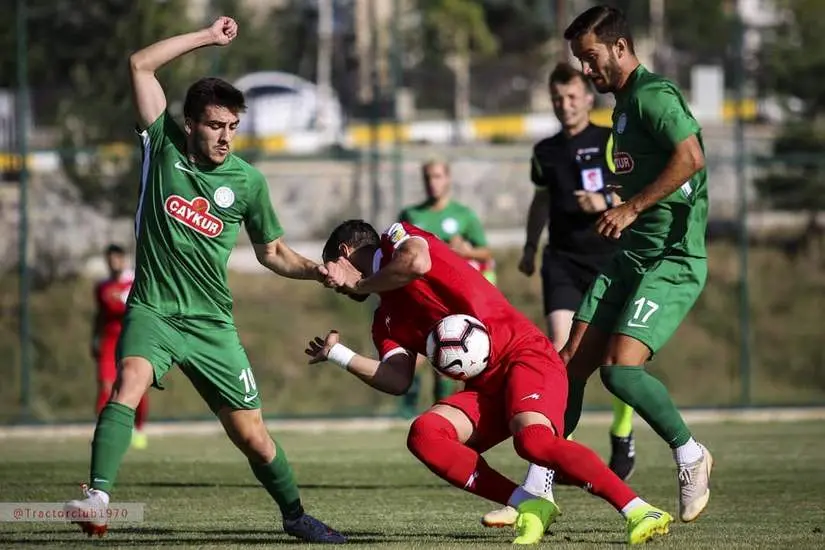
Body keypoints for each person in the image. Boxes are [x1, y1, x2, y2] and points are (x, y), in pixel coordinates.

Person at [64, 17, 345, 544]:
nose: (225, 137)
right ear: (189, 123)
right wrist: (207, 39)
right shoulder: (161, 146)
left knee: (255, 439)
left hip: (213, 324)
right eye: (216, 125)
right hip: (154, 310)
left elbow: (274, 253)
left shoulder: (247, 181)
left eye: (233, 126)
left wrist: (316, 271)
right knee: (128, 380)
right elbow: (139, 64)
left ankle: (294, 516)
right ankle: (97, 499)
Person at [308, 219, 673, 545]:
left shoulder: (396, 238)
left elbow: (416, 263)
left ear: (345, 252)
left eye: (329, 267)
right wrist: (338, 355)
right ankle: (528, 504)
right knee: (425, 434)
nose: (331, 281)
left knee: (532, 442)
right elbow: (396, 378)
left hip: (524, 356)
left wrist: (362, 281)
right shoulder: (384, 318)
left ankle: (640, 510)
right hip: (486, 388)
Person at [557, 5, 713, 523]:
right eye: (581, 60)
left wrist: (631, 206)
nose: (586, 70)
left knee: (619, 373)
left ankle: (690, 454)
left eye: (591, 57)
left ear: (620, 48)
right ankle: (537, 489)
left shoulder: (653, 94)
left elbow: (690, 157)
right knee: (566, 368)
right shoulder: (622, 106)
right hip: (631, 256)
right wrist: (622, 204)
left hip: (671, 259)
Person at [481, 62, 637, 528]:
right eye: (556, 99)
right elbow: (541, 200)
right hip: (563, 262)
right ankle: (544, 468)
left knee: (616, 358)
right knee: (561, 360)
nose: (564, 106)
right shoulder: (545, 151)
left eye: (571, 97)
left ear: (588, 98)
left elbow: (630, 187)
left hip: (608, 258)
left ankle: (622, 432)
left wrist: (608, 203)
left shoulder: (610, 138)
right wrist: (530, 247)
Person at [397, 159, 495, 417]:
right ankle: (408, 409)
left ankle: (443, 409)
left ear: (448, 179)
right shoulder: (412, 215)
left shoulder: (464, 215)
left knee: (446, 354)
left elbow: (485, 251)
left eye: (438, 176)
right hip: (419, 295)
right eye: (428, 177)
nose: (433, 182)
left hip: (451, 297)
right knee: (415, 355)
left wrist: (466, 250)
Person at [92, 244, 148, 450]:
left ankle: (139, 428)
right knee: (105, 386)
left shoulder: (135, 280)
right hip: (108, 340)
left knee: (136, 386)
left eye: (117, 258)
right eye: (110, 259)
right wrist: (94, 338)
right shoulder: (102, 287)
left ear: (123, 259)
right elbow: (99, 315)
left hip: (131, 338)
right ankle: (103, 432)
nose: (113, 263)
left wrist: (124, 299)